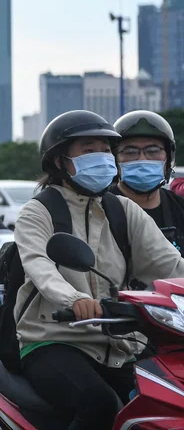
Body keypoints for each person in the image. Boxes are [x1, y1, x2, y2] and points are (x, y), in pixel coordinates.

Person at [14, 110, 184, 429]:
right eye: (89, 149)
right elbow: (40, 266)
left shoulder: (122, 209)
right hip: (54, 340)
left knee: (159, 401)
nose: (102, 157)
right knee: (99, 403)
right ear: (60, 161)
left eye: (106, 150)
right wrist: (74, 299)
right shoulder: (38, 211)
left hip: (118, 344)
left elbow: (170, 265)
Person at [111, 110, 184, 252]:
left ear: (168, 159)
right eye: (130, 152)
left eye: (153, 150)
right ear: (115, 160)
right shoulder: (98, 209)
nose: (142, 159)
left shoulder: (180, 209)